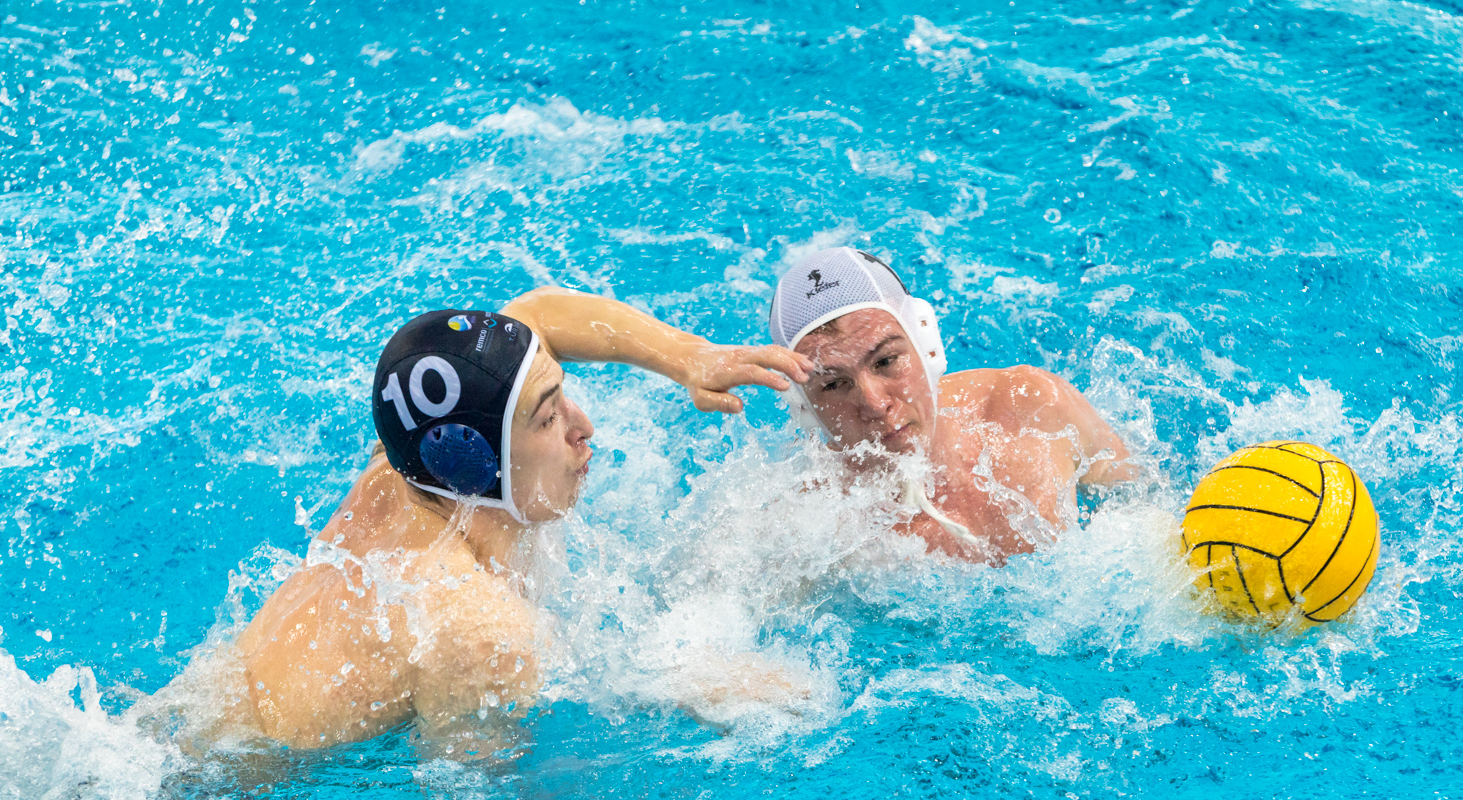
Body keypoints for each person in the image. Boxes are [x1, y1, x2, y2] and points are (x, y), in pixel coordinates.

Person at [171, 287, 814, 758]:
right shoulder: (472, 624)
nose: (583, 427)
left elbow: (536, 316)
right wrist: (681, 691)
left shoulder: (401, 464)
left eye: (560, 390)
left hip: (178, 721)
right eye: (546, 418)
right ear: (472, 466)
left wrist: (688, 358)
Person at [766, 247, 1134, 563]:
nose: (875, 404)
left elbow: (1141, 501)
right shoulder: (811, 525)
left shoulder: (1033, 409)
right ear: (804, 407)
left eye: (886, 361)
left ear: (927, 346)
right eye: (833, 384)